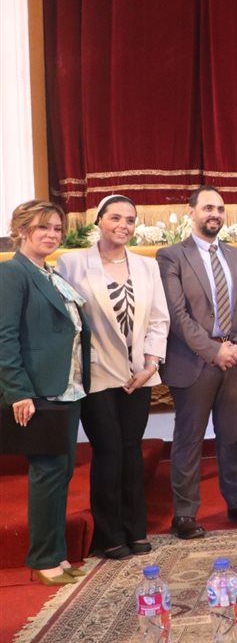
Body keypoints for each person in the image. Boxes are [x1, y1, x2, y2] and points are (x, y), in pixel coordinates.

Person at [57, 195, 169, 559]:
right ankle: (109, 534)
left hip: (139, 373)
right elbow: (68, 321)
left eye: (130, 220)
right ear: (99, 221)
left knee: (132, 450)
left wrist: (150, 364)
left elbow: (159, 319)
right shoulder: (72, 263)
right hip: (97, 371)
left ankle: (136, 529)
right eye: (116, 218)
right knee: (108, 451)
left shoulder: (147, 266)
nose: (124, 225)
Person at [157, 186, 237, 539]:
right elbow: (177, 315)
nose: (215, 214)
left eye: (220, 209)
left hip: (236, 360)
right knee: (189, 440)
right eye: (207, 208)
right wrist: (213, 351)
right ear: (191, 212)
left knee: (232, 438)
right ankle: (185, 515)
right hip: (195, 362)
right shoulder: (171, 257)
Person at [0, 201, 90, 585]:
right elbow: (4, 337)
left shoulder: (50, 272)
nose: (52, 234)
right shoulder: (12, 273)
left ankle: (57, 554)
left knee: (61, 472)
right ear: (22, 230)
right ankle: (42, 559)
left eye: (56, 228)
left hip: (67, 388)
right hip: (38, 391)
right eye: (43, 227)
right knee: (48, 473)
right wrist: (18, 392)